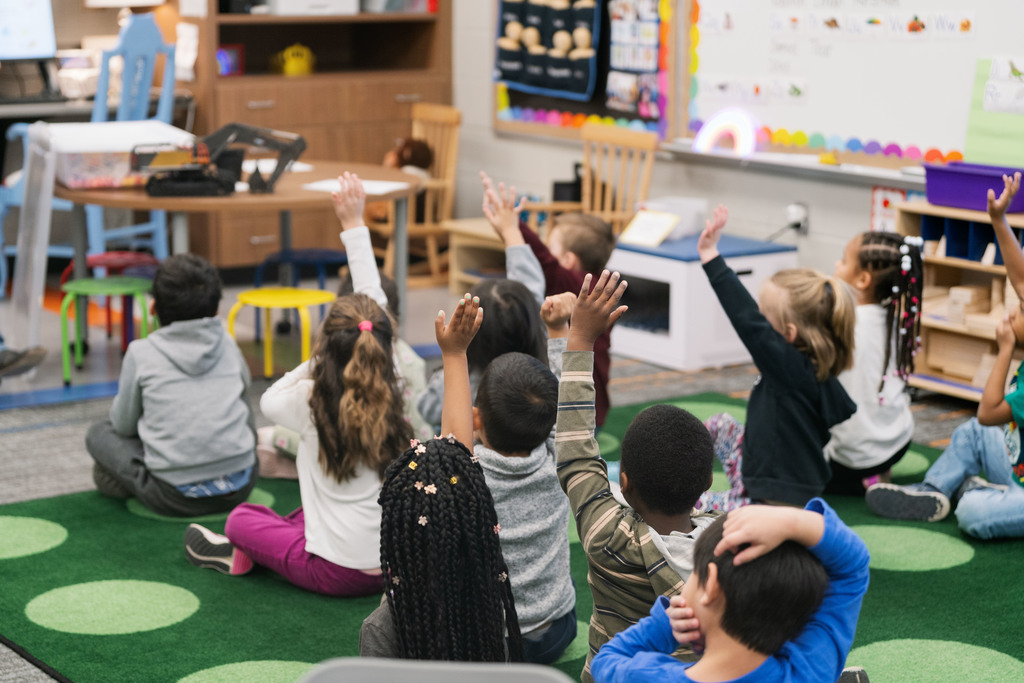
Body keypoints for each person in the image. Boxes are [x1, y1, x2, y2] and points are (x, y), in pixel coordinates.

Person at [184, 174, 413, 596]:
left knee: (242, 519)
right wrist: (353, 223)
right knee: (306, 511)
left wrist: (317, 362)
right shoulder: (391, 373)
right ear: (382, 340)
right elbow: (372, 296)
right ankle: (262, 542)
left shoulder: (312, 399)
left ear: (328, 345)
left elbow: (269, 400)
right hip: (392, 562)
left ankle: (241, 552)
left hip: (334, 572)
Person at [558, 269, 719, 683]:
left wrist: (578, 340)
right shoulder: (730, 550)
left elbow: (576, 454)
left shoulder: (607, 536)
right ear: (704, 490)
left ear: (623, 484)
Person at [360, 294, 524, 661]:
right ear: (477, 528)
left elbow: (458, 458)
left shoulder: (383, 628)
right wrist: (455, 355)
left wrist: (454, 355)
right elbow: (458, 460)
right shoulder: (487, 608)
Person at [866, 172, 1024, 539]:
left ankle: (976, 492)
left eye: (1022, 308)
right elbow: (1020, 277)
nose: (1014, 308)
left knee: (972, 514)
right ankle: (933, 491)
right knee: (970, 436)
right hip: (1018, 466)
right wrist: (999, 219)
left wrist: (1005, 351)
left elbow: (987, 413)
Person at [589, 500, 870, 683]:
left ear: (710, 585)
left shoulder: (648, 676)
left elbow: (606, 661)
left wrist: (663, 628)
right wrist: (791, 523)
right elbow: (852, 567)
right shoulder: (808, 671)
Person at [697, 205, 857, 511]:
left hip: (769, 502)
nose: (760, 322)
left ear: (789, 334)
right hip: (762, 471)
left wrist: (711, 258)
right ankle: (666, 469)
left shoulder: (789, 369)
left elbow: (747, 320)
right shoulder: (803, 367)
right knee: (720, 425)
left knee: (684, 507)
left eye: (765, 317)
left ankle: (658, 486)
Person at [451, 290, 577, 664]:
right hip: (559, 629)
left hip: (491, 645)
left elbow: (452, 436)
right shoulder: (563, 461)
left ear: (476, 420)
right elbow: (572, 402)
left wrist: (455, 353)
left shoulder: (467, 475)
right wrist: (559, 330)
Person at [85, 253, 257, 517]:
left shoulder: (141, 352)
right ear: (215, 311)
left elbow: (123, 426)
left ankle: (127, 481)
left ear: (153, 308)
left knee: (99, 434)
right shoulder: (228, 343)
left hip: (173, 495)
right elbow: (247, 416)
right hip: (242, 484)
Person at [480, 171, 617, 427]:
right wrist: (509, 226)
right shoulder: (600, 286)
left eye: (552, 245)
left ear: (569, 260)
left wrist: (513, 225)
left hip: (571, 404)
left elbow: (541, 260)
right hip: (592, 403)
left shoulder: (578, 287)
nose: (546, 250)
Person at [825, 230, 923, 494]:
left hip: (847, 458)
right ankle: (877, 474)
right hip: (896, 444)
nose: (837, 265)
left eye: (843, 261)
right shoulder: (895, 323)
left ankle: (859, 479)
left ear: (863, 280)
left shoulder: (841, 325)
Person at [416, 277, 549, 428]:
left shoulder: (459, 380)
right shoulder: (545, 383)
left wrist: (453, 355)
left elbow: (425, 408)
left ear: (475, 337)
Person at [365, 137, 433, 223]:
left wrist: (388, 165)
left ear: (407, 154)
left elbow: (387, 180)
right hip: (419, 216)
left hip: (405, 217)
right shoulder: (424, 173)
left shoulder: (408, 172)